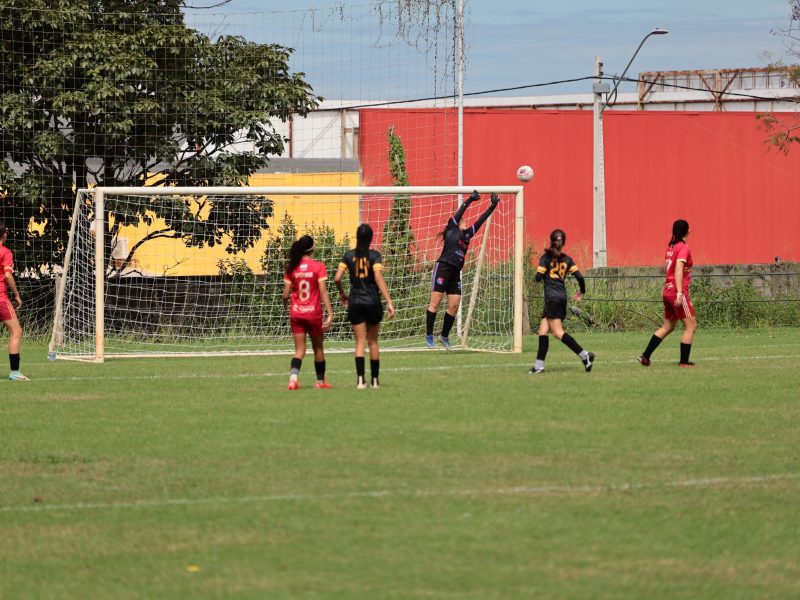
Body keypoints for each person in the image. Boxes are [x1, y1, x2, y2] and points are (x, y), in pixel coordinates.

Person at [425, 190, 500, 350]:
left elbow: (481, 220)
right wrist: (470, 199)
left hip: (455, 273)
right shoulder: (452, 228)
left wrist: (492, 206)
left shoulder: (468, 235)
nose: (465, 221)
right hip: (443, 268)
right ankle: (429, 335)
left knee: (454, 305)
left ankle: (444, 336)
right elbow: (461, 211)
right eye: (462, 220)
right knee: (435, 302)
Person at [334, 224, 396, 389]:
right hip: (372, 301)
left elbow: (337, 278)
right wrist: (389, 300)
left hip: (355, 302)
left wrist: (342, 294)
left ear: (356, 237)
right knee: (373, 342)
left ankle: (361, 381)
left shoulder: (348, 256)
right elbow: (377, 277)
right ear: (371, 238)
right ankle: (375, 381)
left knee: (360, 342)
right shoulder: (374, 255)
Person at [529, 229, 595, 374]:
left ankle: (585, 356)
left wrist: (539, 274)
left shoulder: (546, 258)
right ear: (563, 242)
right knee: (542, 331)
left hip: (552, 299)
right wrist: (581, 292)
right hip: (561, 297)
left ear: (550, 240)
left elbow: (538, 277)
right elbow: (580, 277)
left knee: (558, 333)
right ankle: (539, 366)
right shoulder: (567, 259)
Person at [638, 219, 698, 367]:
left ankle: (645, 356)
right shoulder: (683, 247)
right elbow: (678, 269)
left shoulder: (670, 247)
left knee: (668, 327)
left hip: (667, 291)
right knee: (691, 326)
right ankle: (684, 362)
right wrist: (679, 293)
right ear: (687, 231)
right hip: (677, 292)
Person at [282, 235, 334, 390]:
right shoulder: (318, 266)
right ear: (312, 249)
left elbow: (285, 295)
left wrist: (286, 307)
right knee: (318, 348)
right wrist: (330, 313)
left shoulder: (292, 267)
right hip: (313, 314)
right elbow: (323, 291)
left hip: (296, 313)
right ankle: (320, 382)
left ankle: (293, 379)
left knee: (299, 350)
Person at [0, 222, 28, 381]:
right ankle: (15, 373)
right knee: (16, 332)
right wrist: (16, 295)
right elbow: (8, 275)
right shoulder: (5, 252)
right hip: (1, 298)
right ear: (4, 235)